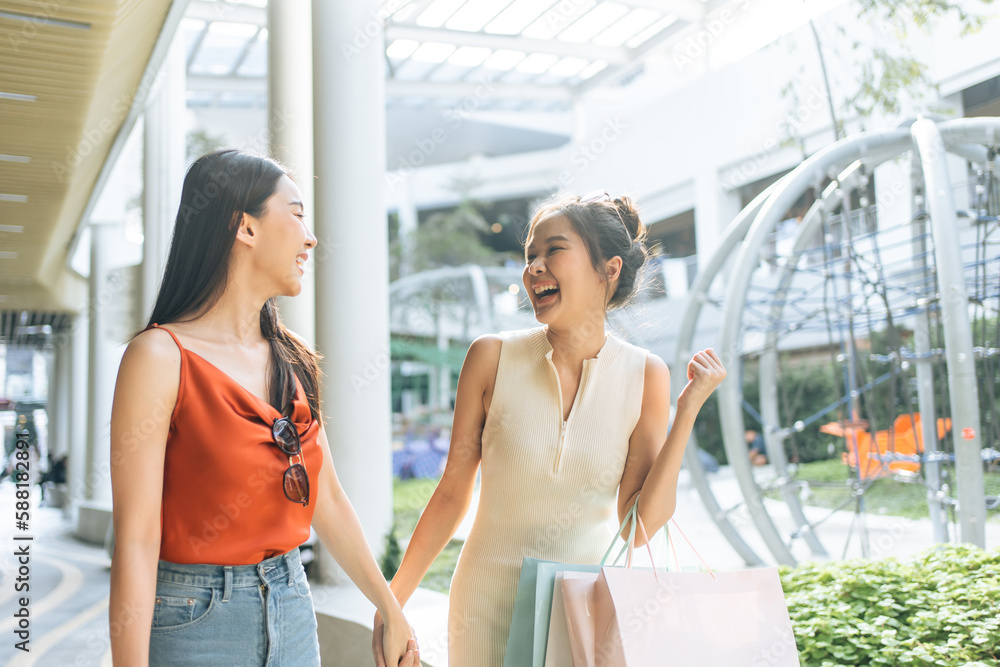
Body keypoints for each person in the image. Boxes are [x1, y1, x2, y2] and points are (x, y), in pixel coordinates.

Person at [372, 191, 727, 666]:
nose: (534, 268)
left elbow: (639, 526)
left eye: (553, 250)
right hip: (484, 604)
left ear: (610, 269)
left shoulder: (647, 375)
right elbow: (452, 493)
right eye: (529, 256)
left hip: (580, 609)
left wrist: (686, 412)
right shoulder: (490, 357)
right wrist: (394, 603)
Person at [109, 149, 418, 666]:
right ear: (244, 227)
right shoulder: (158, 357)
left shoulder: (289, 356)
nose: (311, 236)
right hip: (193, 620)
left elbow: (330, 501)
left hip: (292, 604)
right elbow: (137, 540)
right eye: (296, 213)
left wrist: (389, 607)